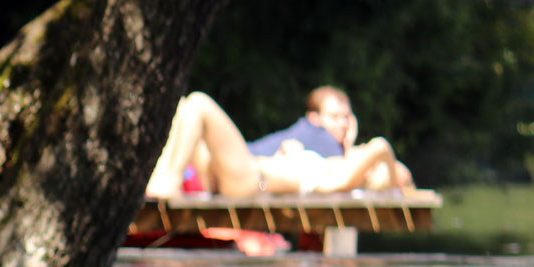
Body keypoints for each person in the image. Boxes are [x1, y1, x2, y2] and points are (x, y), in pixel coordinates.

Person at [147, 90, 412, 198]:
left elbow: (381, 148)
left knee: (199, 104)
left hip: (251, 178)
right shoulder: (332, 165)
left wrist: (362, 152)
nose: (362, 147)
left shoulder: (340, 178)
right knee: (182, 107)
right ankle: (158, 181)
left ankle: (166, 183)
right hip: (238, 174)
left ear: (366, 171)